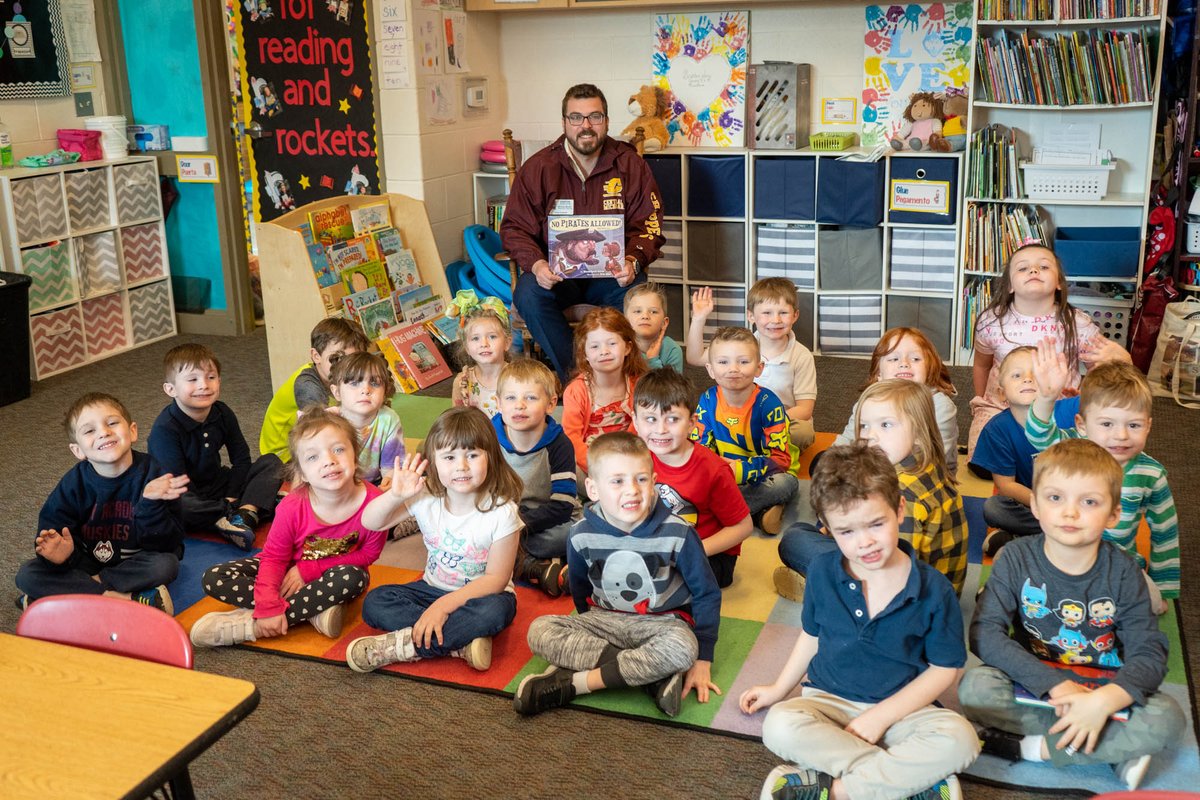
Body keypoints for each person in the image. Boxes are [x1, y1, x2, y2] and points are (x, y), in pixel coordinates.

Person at [740, 442, 979, 800]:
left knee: (962, 739)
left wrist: (881, 718)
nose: (864, 542)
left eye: (876, 524)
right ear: (828, 531)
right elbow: (811, 635)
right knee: (778, 725)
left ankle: (835, 790)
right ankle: (910, 783)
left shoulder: (935, 589)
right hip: (827, 701)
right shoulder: (822, 569)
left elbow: (945, 670)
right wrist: (778, 689)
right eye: (846, 532)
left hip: (904, 710)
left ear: (899, 509)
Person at [959, 439, 1184, 791]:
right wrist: (1055, 687)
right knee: (974, 689)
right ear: (1034, 503)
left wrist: (1104, 702)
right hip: (1035, 684)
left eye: (1089, 502)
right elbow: (985, 635)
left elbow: (1149, 652)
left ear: (1113, 514)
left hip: (1103, 690)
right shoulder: (1015, 558)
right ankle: (1109, 747)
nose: (1070, 512)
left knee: (1168, 718)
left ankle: (1034, 749)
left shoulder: (1124, 571)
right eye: (1055, 498)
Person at [513, 432, 721, 718]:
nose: (632, 490)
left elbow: (706, 592)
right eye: (617, 481)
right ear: (593, 489)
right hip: (604, 620)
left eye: (642, 479)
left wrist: (703, 658)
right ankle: (652, 678)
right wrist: (588, 622)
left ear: (654, 484)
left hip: (661, 625)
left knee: (683, 648)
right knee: (540, 631)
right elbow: (579, 585)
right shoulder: (580, 534)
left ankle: (576, 684)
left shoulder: (679, 532)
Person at [501, 83, 665, 381]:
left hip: (611, 276)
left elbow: (650, 224)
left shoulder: (630, 165)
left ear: (607, 121)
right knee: (528, 293)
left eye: (595, 117)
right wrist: (537, 266)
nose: (586, 126)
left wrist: (633, 261)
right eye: (576, 118)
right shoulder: (539, 167)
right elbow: (514, 228)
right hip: (558, 276)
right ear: (564, 123)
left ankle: (619, 377)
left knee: (637, 291)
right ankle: (577, 378)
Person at [188, 408, 388, 646]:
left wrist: (308, 571)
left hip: (334, 573)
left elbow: (368, 554)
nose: (329, 461)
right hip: (286, 567)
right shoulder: (292, 506)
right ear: (301, 472)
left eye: (338, 449)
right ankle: (314, 611)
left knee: (353, 579)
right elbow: (274, 558)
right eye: (313, 457)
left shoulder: (376, 503)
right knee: (214, 577)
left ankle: (251, 626)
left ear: (355, 455)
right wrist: (267, 603)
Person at [345, 407, 523, 672]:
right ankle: (459, 644)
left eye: (472, 455)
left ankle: (404, 646)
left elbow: (495, 579)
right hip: (430, 590)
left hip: (482, 596)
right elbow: (371, 522)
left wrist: (443, 607)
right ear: (433, 461)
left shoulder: (502, 511)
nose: (461, 466)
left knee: (494, 613)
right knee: (375, 603)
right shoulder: (425, 494)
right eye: (449, 457)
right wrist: (396, 494)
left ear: (491, 458)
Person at [1022, 343, 1179, 614]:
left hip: (1116, 566)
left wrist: (1164, 589)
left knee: (1153, 605)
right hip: (1061, 558)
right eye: (1107, 424)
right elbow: (1038, 436)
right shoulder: (1072, 446)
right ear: (1082, 425)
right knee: (1027, 591)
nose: (1121, 436)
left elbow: (1165, 533)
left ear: (1149, 425)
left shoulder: (1151, 475)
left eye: (1134, 425)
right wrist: (1046, 397)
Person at [777, 379, 967, 598]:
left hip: (912, 600)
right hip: (935, 588)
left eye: (885, 425)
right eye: (864, 426)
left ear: (918, 429)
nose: (870, 436)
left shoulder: (903, 495)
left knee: (794, 539)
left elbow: (891, 574)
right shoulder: (925, 464)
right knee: (813, 529)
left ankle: (828, 588)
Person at [15, 393, 186, 612]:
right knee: (28, 574)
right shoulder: (72, 484)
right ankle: (119, 597)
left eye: (112, 423)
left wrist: (150, 504)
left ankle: (65, 595)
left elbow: (168, 543)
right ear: (78, 450)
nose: (104, 432)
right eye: (89, 430)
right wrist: (62, 556)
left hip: (136, 562)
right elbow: (52, 534)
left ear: (132, 431)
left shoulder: (156, 475)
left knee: (166, 565)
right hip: (86, 563)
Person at [968, 242, 1129, 460]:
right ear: (1009, 286)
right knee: (982, 460)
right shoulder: (991, 321)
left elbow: (1100, 372)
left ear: (1060, 283)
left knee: (1077, 459)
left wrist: (1117, 360)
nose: (1033, 270)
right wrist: (981, 401)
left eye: (1044, 267)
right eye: (1023, 268)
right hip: (1001, 406)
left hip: (1059, 407)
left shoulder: (1076, 323)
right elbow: (982, 364)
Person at [148, 344, 282, 550]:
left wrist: (231, 493)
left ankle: (242, 515)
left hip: (219, 484)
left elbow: (241, 459)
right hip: (186, 494)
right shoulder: (164, 429)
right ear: (170, 389)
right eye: (193, 379)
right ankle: (249, 509)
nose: (204, 385)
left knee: (271, 462)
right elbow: (176, 482)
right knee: (179, 508)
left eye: (211, 377)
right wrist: (227, 504)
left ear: (219, 381)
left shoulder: (222, 412)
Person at [632, 368, 752, 588]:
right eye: (650, 419)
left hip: (709, 554)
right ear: (636, 422)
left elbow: (743, 527)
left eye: (673, 419)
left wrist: (691, 552)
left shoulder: (712, 469)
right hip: (658, 545)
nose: (660, 430)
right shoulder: (636, 458)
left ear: (691, 423)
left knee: (661, 581)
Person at [687, 279, 817, 455]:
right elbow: (695, 358)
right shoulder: (740, 344)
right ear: (751, 316)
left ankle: (752, 450)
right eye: (767, 313)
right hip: (734, 417)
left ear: (795, 315)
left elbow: (804, 409)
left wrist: (765, 423)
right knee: (693, 425)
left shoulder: (802, 356)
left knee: (803, 432)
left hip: (779, 422)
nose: (776, 320)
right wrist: (698, 319)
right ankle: (742, 448)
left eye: (783, 312)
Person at [971, 346, 1081, 553]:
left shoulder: (1069, 409)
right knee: (994, 508)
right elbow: (1006, 486)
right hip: (1036, 505)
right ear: (1002, 394)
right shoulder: (997, 429)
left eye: (1036, 374)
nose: (1028, 379)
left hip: (1079, 502)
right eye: (1017, 375)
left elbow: (1110, 400)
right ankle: (1056, 537)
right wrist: (1045, 505)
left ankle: (1027, 540)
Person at [692, 326, 798, 535]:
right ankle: (758, 514)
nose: (733, 369)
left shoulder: (769, 404)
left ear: (759, 368)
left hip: (762, 475)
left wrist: (735, 471)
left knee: (785, 485)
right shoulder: (707, 400)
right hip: (721, 475)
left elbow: (780, 460)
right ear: (711, 369)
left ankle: (719, 513)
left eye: (743, 361)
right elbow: (699, 448)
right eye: (723, 362)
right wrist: (720, 472)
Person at [494, 359, 581, 598]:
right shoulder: (489, 438)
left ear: (551, 404)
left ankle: (519, 559)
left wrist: (516, 527)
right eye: (511, 398)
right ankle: (535, 566)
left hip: (548, 520)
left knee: (576, 534)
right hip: (504, 516)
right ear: (499, 403)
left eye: (530, 398)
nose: (519, 406)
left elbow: (562, 506)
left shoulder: (559, 444)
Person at [831, 327, 959, 478]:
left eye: (915, 359)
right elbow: (847, 440)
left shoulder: (939, 406)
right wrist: (832, 461)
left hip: (925, 477)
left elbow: (928, 460)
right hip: (873, 471)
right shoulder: (869, 402)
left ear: (929, 368)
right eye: (894, 359)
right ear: (879, 373)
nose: (904, 363)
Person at [259, 317, 370, 462]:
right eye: (337, 358)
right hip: (282, 455)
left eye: (353, 359)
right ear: (316, 356)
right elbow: (321, 433)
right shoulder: (307, 386)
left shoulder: (331, 375)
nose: (347, 367)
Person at [562, 307, 648, 476]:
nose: (604, 351)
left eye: (612, 343)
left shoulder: (639, 385)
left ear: (628, 348)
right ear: (584, 353)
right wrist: (598, 469)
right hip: (591, 463)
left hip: (631, 457)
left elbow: (641, 428)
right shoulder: (577, 391)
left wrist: (625, 463)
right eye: (594, 346)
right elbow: (571, 437)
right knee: (568, 469)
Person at [329, 352, 405, 488]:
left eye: (375, 383)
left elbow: (392, 465)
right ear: (337, 392)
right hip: (335, 484)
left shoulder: (389, 419)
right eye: (354, 383)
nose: (365, 390)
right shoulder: (328, 422)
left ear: (385, 391)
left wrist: (389, 479)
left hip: (373, 483)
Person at [453, 299, 513, 418]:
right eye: (475, 338)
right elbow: (457, 422)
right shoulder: (462, 381)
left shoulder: (519, 377)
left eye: (492, 336)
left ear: (507, 342)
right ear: (467, 348)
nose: (484, 344)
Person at [624, 282, 683, 372]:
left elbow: (671, 386)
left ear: (664, 323)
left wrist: (653, 360)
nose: (645, 316)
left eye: (653, 312)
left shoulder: (672, 350)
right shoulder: (620, 346)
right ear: (625, 321)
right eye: (637, 311)